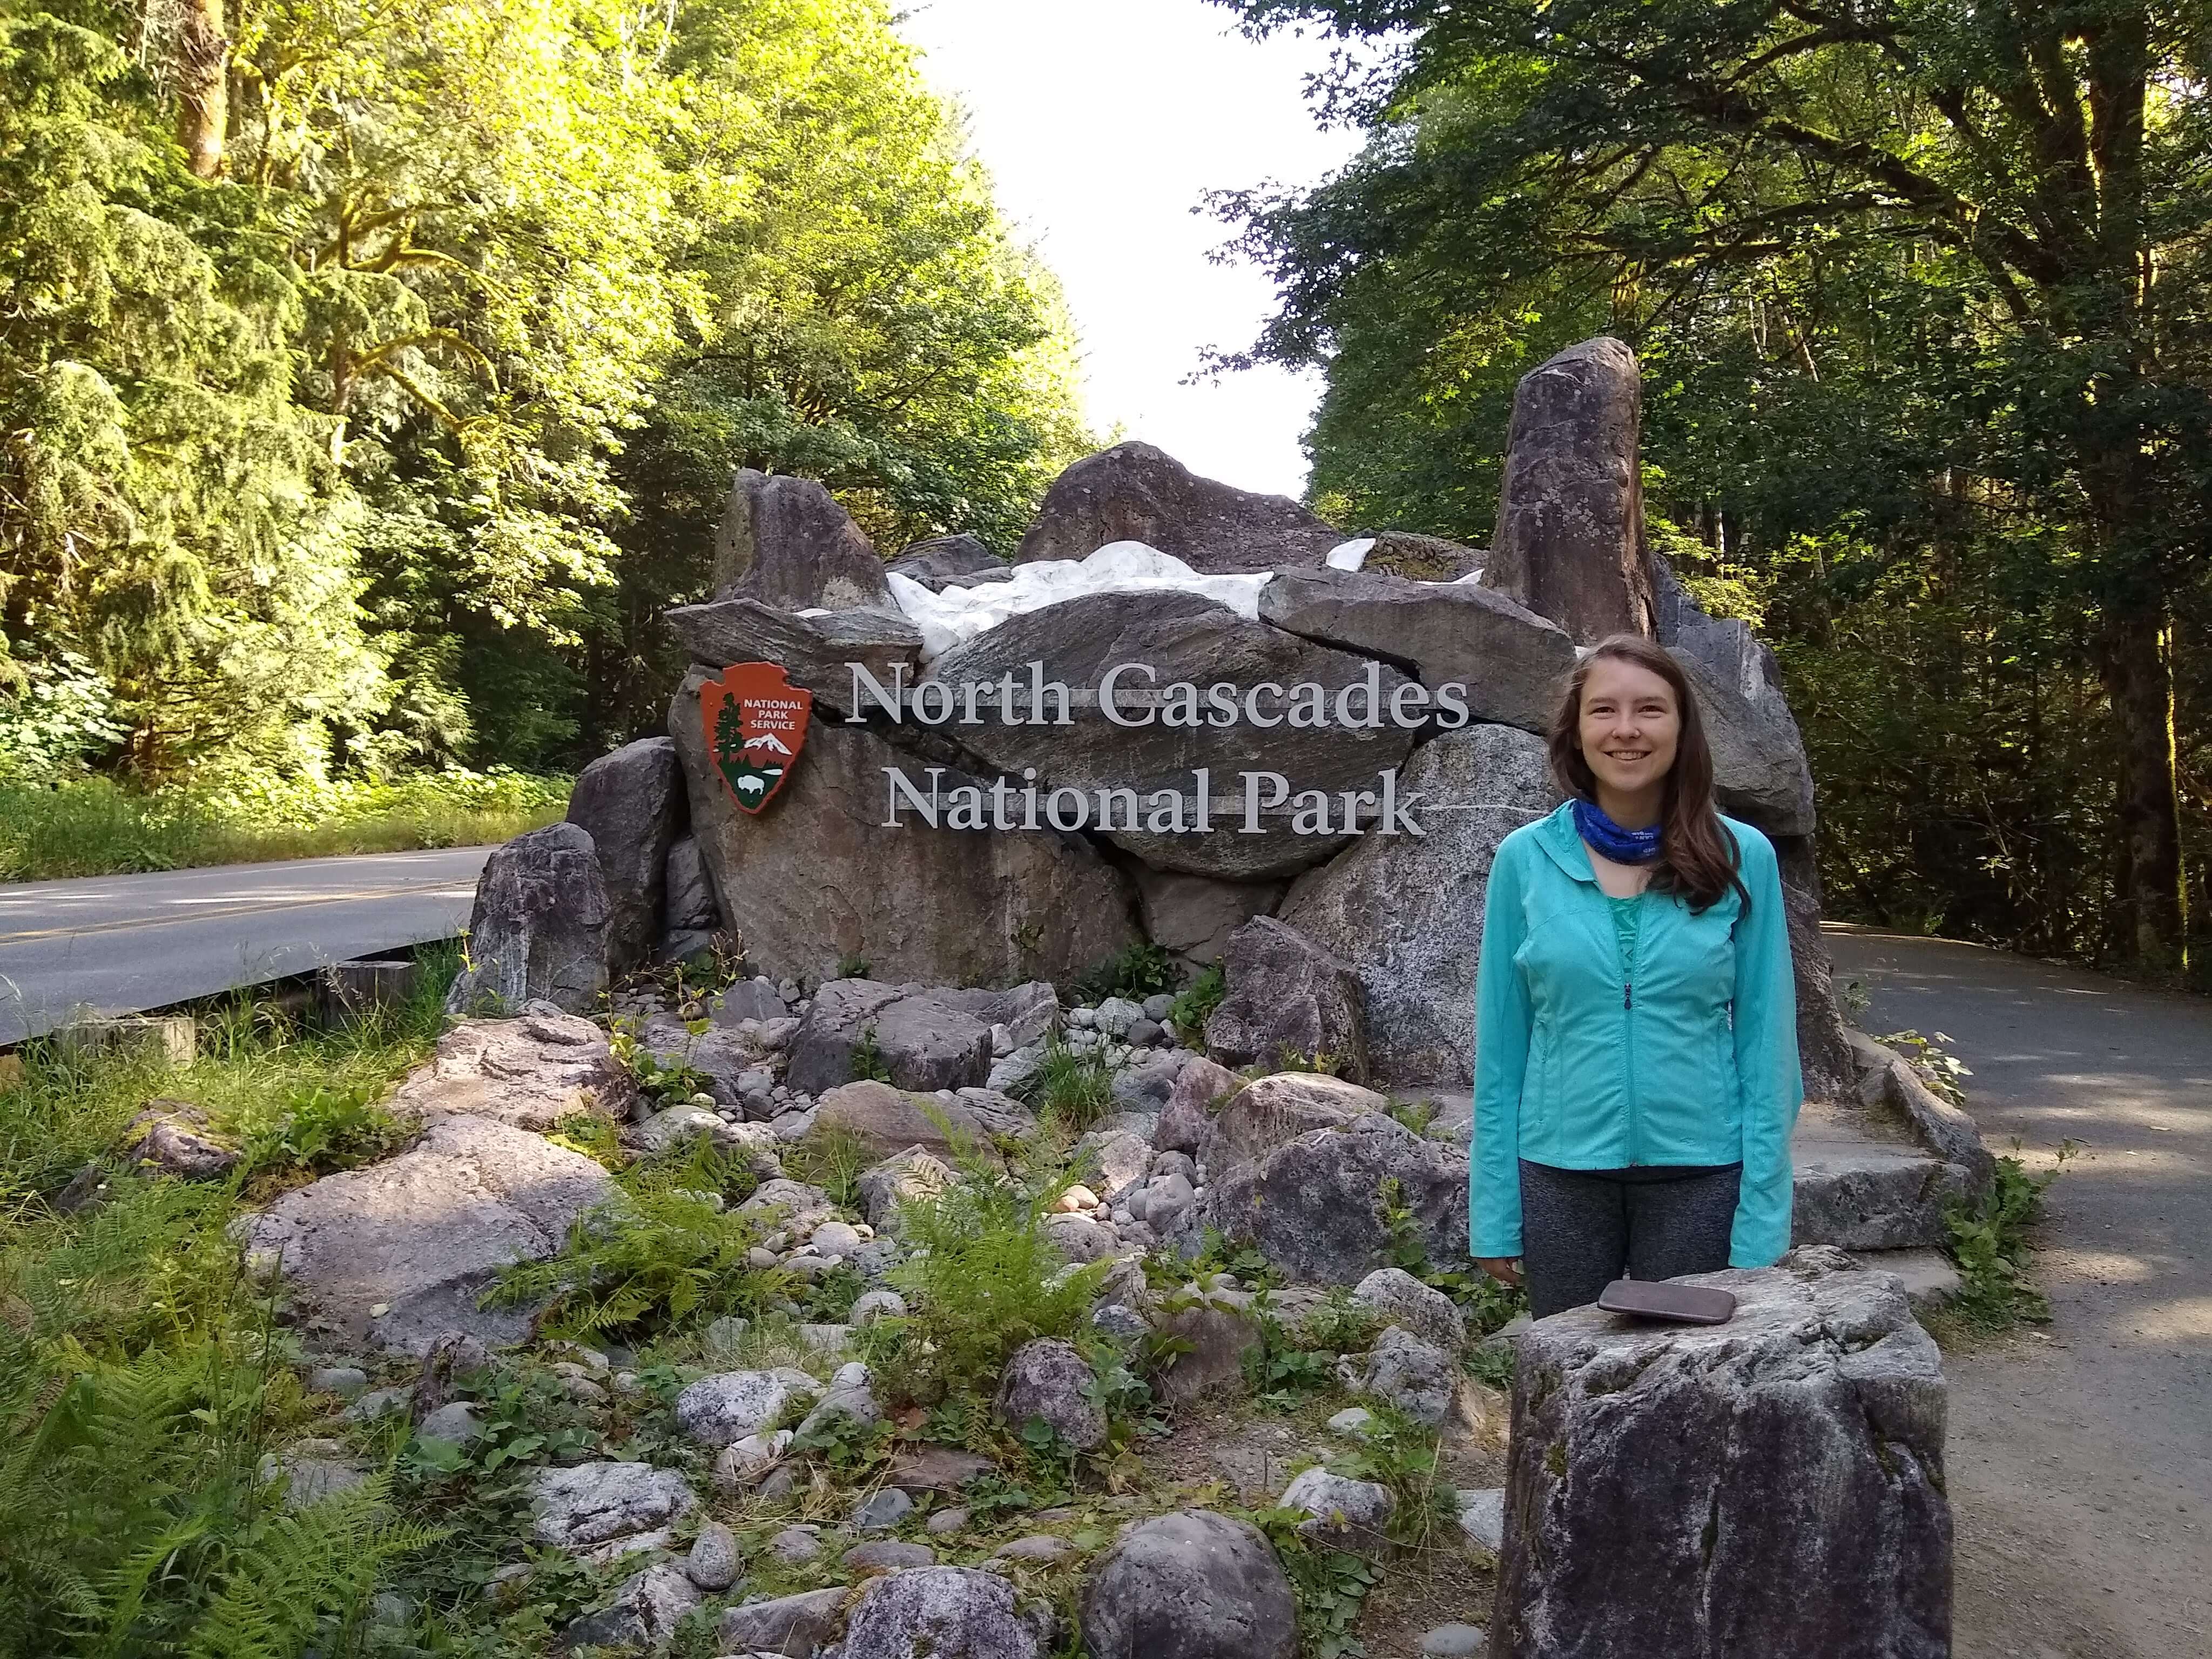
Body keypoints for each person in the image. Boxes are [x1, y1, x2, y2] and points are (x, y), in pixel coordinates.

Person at [1470, 634, 1803, 1318]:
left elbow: (1769, 1050)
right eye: (1603, 711)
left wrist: (1763, 1217)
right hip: (1560, 1175)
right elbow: (1501, 1053)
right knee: (1565, 1390)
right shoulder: (1524, 860)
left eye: (1650, 709)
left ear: (1682, 728)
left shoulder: (1744, 857)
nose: (1626, 730)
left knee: (1690, 1399)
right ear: (1575, 730)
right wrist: (1495, 1212)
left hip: (1701, 1177)